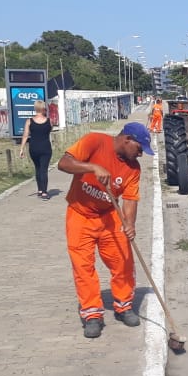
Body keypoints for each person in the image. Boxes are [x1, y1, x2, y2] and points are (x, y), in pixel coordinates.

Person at [56, 123, 155, 338]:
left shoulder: (133, 168)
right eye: (140, 148)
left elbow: (130, 199)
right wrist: (92, 167)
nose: (140, 154)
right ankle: (92, 315)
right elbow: (63, 163)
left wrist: (129, 224)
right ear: (127, 139)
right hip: (79, 215)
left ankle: (124, 306)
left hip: (110, 215)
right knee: (83, 267)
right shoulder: (95, 141)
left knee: (123, 261)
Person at [19, 100, 53, 200]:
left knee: (38, 168)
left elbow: (25, 135)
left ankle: (39, 189)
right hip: (46, 148)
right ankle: (44, 192)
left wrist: (21, 149)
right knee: (44, 169)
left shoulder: (29, 121)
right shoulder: (49, 121)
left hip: (34, 148)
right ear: (43, 108)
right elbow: (49, 129)